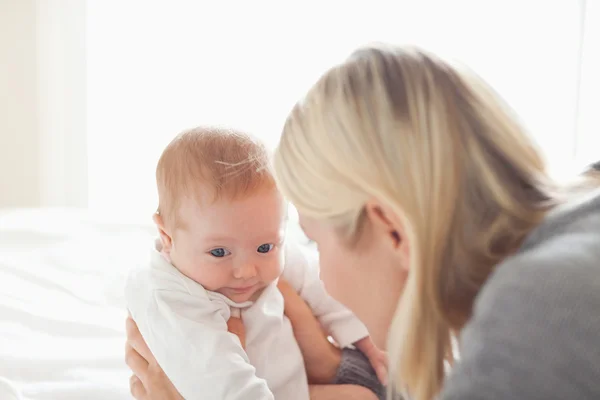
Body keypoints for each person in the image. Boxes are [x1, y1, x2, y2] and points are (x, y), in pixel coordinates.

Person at [125, 44, 600, 400]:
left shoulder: (533, 315)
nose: (315, 273)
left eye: (311, 242)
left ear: (391, 230)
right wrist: (337, 364)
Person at [125, 127, 386, 400]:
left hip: (291, 389)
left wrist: (367, 339)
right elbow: (219, 380)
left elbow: (324, 287)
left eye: (264, 247)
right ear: (167, 236)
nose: (247, 271)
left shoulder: (265, 245)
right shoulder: (168, 295)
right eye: (219, 252)